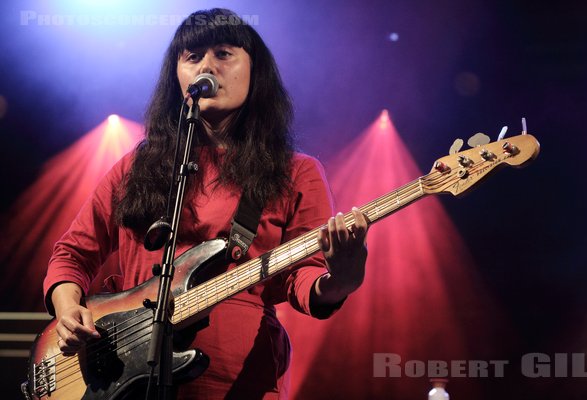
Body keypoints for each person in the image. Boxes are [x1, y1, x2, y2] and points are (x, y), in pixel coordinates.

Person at [44, 8, 368, 399]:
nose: (206, 67)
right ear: (177, 76)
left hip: (238, 381)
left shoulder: (296, 172)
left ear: (255, 70)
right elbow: (72, 254)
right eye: (192, 56)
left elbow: (304, 280)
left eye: (223, 53)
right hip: (122, 379)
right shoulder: (136, 166)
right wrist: (67, 309)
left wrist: (342, 279)